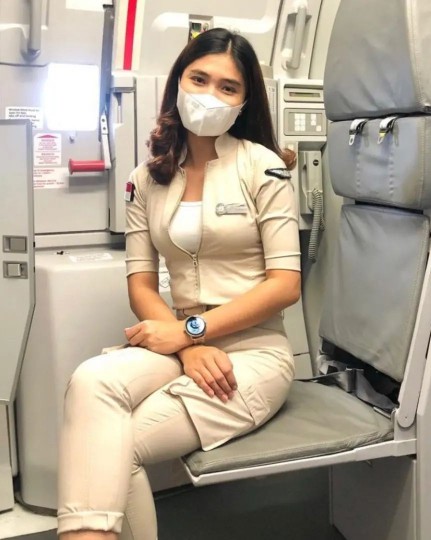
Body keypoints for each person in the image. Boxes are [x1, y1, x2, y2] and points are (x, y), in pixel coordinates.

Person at [57, 28, 301, 540]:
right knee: (91, 382)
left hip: (253, 352)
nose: (210, 95)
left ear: (244, 101)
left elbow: (285, 285)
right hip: (182, 344)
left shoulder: (263, 167)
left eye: (228, 87)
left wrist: (192, 332)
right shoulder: (146, 179)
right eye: (199, 79)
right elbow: (141, 286)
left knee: (114, 448)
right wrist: (189, 345)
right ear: (178, 84)